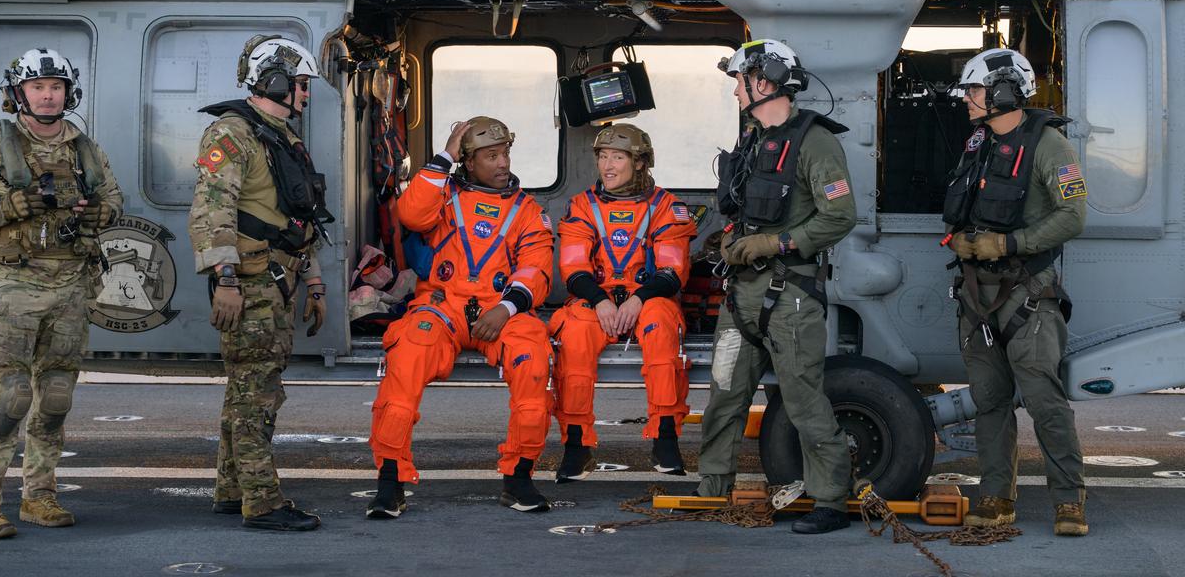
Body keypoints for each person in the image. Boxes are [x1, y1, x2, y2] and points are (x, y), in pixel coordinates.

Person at [0, 48, 122, 539]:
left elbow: (113, 196)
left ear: (68, 92)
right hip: (17, 285)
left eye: (56, 87)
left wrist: (103, 213)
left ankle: (39, 497)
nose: (47, 95)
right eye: (37, 88)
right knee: (10, 397)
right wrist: (8, 205)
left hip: (72, 286)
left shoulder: (83, 148)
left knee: (55, 398)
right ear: (18, 94)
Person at [698, 39, 856, 535]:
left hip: (790, 297)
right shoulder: (751, 140)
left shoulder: (815, 143)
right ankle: (712, 489)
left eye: (738, 82)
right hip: (741, 297)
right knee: (724, 395)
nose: (734, 93)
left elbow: (840, 217)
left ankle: (830, 498)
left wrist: (776, 242)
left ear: (761, 83)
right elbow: (740, 210)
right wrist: (729, 239)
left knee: (804, 400)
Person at [366, 117, 555, 517]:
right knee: (407, 358)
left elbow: (536, 269)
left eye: (505, 153)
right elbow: (411, 214)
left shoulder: (527, 211)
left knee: (534, 362)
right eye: (491, 156)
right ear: (468, 162)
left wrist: (505, 308)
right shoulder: (443, 195)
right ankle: (390, 482)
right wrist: (443, 157)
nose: (502, 163)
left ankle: (518, 477)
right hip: (442, 305)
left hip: (502, 308)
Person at [941, 47, 1088, 536]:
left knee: (1045, 399)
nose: (968, 99)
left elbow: (1073, 216)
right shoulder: (977, 143)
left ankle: (1069, 500)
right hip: (976, 295)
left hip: (1027, 294)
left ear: (1004, 91)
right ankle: (996, 495)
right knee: (989, 401)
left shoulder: (1048, 145)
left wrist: (1008, 242)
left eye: (976, 90)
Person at [188, 34, 332, 532]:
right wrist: (225, 279)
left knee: (246, 390)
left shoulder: (279, 136)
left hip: (278, 282)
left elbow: (295, 218)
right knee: (257, 394)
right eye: (300, 84)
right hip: (250, 286)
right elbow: (212, 213)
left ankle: (232, 491)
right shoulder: (231, 136)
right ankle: (263, 502)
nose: (306, 94)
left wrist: (313, 280)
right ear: (273, 81)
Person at [549, 123, 696, 482]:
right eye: (602, 156)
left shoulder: (665, 207)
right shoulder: (582, 206)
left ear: (641, 162)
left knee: (661, 325)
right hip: (595, 300)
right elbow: (573, 266)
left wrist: (637, 299)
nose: (607, 166)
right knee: (574, 335)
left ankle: (665, 438)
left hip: (648, 299)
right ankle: (576, 445)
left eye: (618, 157)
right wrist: (600, 300)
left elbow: (672, 270)